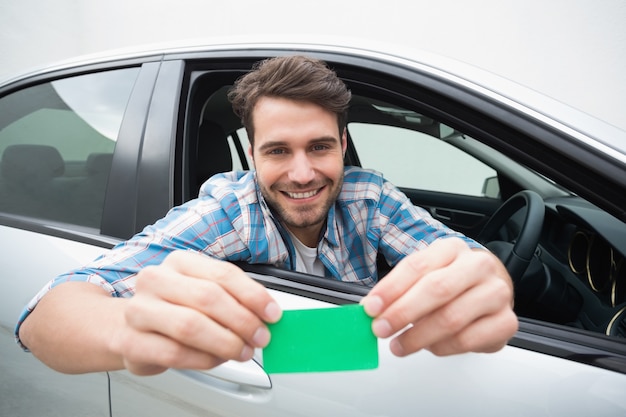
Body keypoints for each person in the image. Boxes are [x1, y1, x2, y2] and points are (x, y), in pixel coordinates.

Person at [17, 55, 518, 376]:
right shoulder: (228, 212)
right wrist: (127, 329)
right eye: (278, 151)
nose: (302, 174)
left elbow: (464, 263)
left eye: (320, 147)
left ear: (343, 145)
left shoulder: (369, 198)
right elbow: (44, 318)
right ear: (252, 155)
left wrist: (487, 281)